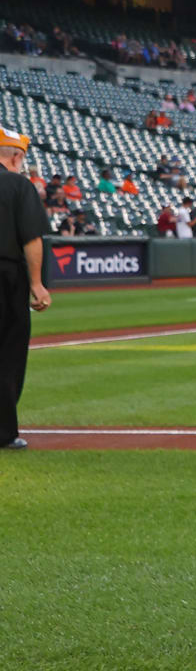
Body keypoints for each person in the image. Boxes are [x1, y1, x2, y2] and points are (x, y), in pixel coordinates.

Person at [1, 125, 53, 450]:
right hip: (5, 275)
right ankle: (3, 432)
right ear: (17, 156)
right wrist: (36, 283)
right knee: (6, 354)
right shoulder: (19, 185)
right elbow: (32, 238)